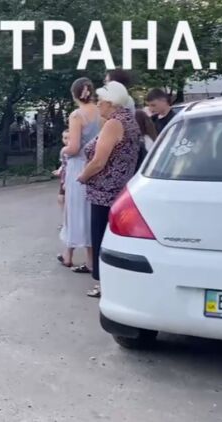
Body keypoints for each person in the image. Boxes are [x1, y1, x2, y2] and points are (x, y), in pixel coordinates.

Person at [78, 81, 141, 298]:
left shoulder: (114, 124)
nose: (97, 105)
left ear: (110, 102)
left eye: (100, 101)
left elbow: (99, 161)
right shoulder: (129, 119)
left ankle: (103, 283)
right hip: (121, 188)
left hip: (105, 191)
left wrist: (83, 176)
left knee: (100, 236)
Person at [57, 78, 100, 273]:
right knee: (90, 211)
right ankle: (90, 259)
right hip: (96, 164)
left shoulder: (77, 115)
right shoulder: (101, 113)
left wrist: (63, 151)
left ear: (74, 94)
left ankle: (76, 257)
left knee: (75, 211)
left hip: (78, 166)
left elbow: (74, 147)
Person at [52, 129, 70, 230]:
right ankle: (65, 221)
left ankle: (68, 222)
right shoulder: (63, 151)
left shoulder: (74, 150)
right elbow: (63, 164)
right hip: (63, 178)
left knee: (68, 201)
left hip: (70, 179)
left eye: (69, 138)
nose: (66, 140)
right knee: (60, 199)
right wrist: (59, 171)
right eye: (64, 138)